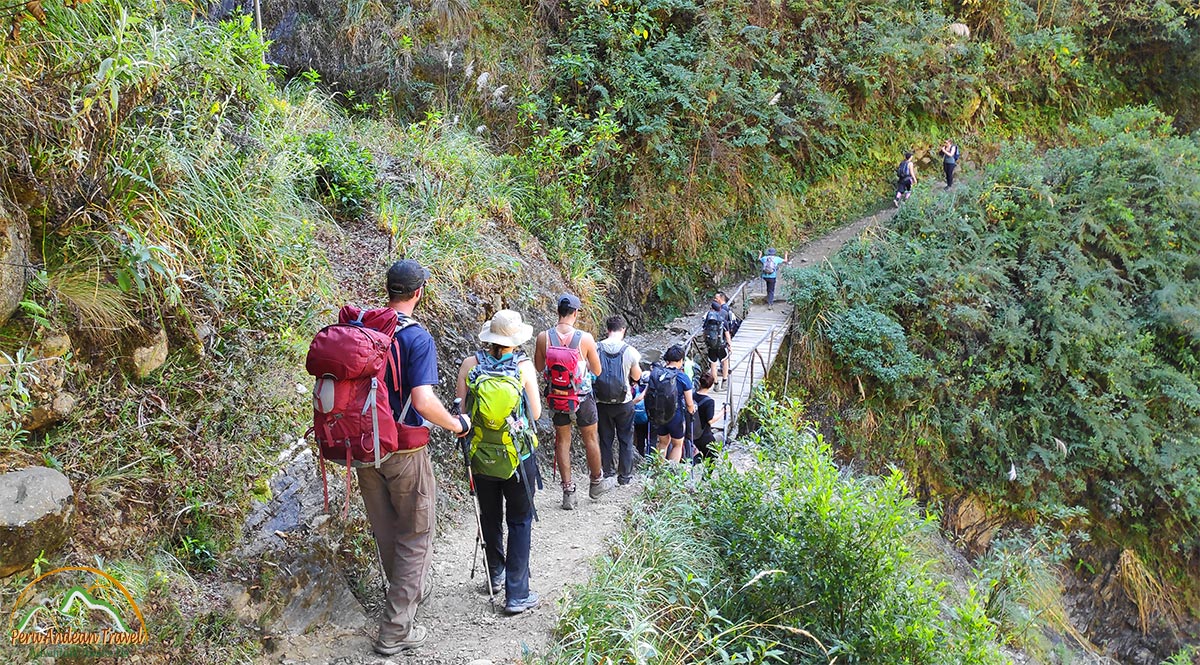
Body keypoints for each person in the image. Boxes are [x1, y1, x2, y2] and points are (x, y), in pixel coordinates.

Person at [363, 259, 472, 655]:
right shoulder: (417, 338)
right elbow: (424, 402)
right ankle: (396, 630)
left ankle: (407, 595)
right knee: (417, 532)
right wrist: (457, 424)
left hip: (362, 446)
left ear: (389, 289)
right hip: (404, 448)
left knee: (388, 529)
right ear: (418, 292)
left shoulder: (368, 326)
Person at [454, 309, 542, 615]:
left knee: (490, 516)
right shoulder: (523, 367)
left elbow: (461, 413)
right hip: (517, 456)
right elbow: (537, 414)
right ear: (516, 340)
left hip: (480, 456)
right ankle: (517, 594)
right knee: (519, 520)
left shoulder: (470, 365)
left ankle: (496, 573)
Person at [533, 294, 613, 510]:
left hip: (556, 397)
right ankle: (596, 483)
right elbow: (597, 370)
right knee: (591, 439)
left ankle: (568, 491)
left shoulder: (544, 337)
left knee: (562, 441)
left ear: (558, 311)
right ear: (576, 313)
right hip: (582, 397)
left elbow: (539, 367)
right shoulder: (584, 338)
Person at [592, 315, 643, 486]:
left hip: (601, 402)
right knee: (625, 439)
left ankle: (608, 473)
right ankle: (625, 476)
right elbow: (637, 376)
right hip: (624, 402)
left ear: (607, 330)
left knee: (605, 438)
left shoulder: (596, 348)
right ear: (623, 330)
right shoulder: (630, 350)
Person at [653, 344, 696, 463]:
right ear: (681, 360)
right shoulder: (683, 377)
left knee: (662, 442)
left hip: (659, 414)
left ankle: (658, 470)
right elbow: (689, 403)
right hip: (675, 416)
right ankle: (670, 474)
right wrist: (691, 411)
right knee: (677, 444)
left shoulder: (658, 374)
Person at [702, 300, 732, 388]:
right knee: (724, 362)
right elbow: (727, 335)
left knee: (713, 365)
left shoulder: (707, 320)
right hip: (721, 345)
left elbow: (704, 333)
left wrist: (707, 343)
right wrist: (729, 346)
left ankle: (715, 384)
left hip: (711, 346)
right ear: (720, 309)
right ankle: (724, 380)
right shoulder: (722, 320)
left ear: (711, 309)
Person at [691, 371, 721, 461]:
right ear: (711, 385)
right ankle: (705, 475)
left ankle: (692, 466)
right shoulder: (709, 402)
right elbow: (710, 420)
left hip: (693, 432)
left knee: (703, 454)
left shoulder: (692, 396)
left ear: (700, 382)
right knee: (713, 456)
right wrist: (722, 412)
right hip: (704, 434)